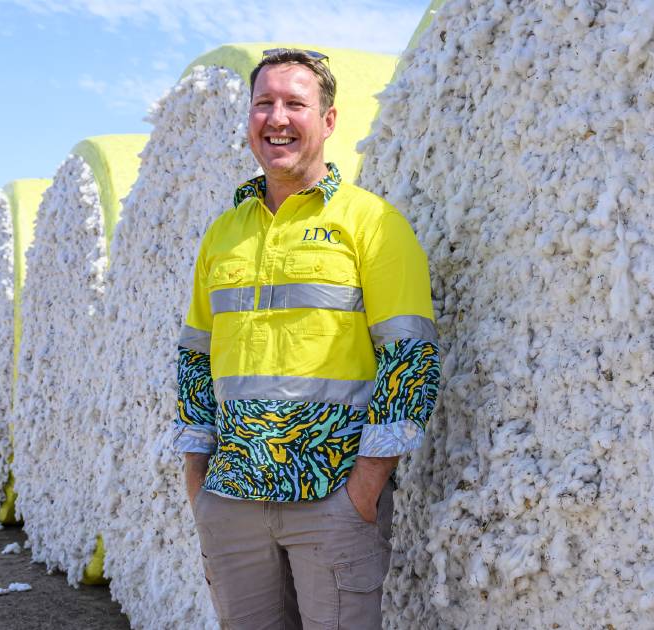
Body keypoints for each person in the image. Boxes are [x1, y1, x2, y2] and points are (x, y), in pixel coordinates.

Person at [172, 48, 441, 629]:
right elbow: (195, 360)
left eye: (296, 103)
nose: (277, 118)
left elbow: (410, 360)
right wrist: (198, 482)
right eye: (263, 103)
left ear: (329, 120)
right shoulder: (224, 234)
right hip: (231, 499)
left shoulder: (370, 223)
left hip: (332, 499)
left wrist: (364, 490)